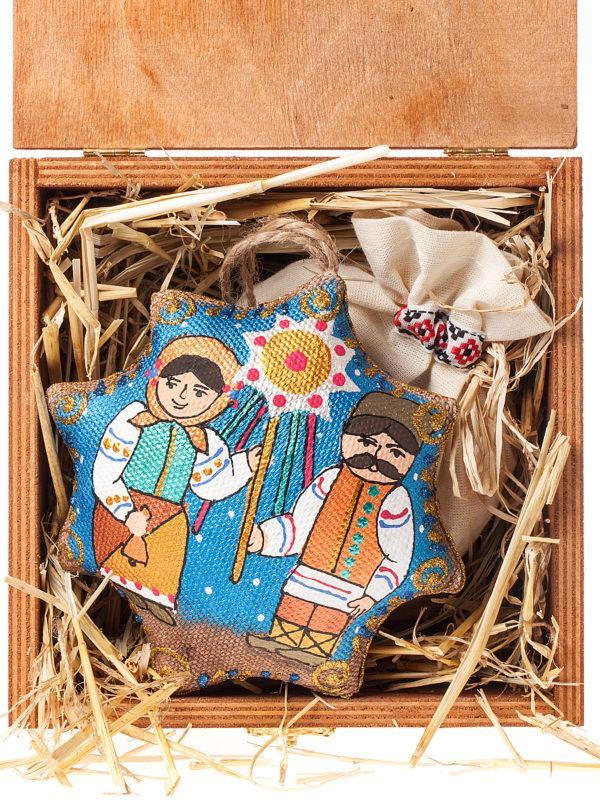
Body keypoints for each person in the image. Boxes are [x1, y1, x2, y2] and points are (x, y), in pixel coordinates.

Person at [92, 336, 261, 624]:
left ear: (217, 400)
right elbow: (106, 472)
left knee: (162, 567)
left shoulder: (206, 441)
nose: (182, 397)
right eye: (173, 384)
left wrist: (245, 464)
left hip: (170, 518)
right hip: (123, 506)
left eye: (199, 392)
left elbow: (211, 485)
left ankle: (156, 603)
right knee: (119, 558)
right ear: (156, 380)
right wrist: (126, 511)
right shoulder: (133, 419)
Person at [247, 392, 422, 665]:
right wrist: (264, 537)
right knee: (294, 608)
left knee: (326, 623)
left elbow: (397, 556)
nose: (376, 457)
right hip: (309, 572)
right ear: (346, 437)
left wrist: (373, 594)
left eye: (395, 452)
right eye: (367, 442)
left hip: (352, 586)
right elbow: (299, 523)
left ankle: (315, 655)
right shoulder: (329, 479)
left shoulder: (396, 500)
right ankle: (281, 641)